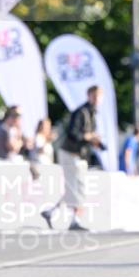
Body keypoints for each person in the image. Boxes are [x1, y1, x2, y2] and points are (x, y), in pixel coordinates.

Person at [41, 86, 104, 231]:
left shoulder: (92, 113)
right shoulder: (81, 112)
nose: (97, 100)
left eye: (99, 97)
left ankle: (51, 211)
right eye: (94, 96)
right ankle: (73, 220)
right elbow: (73, 133)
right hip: (71, 153)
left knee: (73, 188)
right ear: (89, 96)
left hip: (79, 155)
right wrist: (89, 137)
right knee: (77, 188)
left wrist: (95, 142)